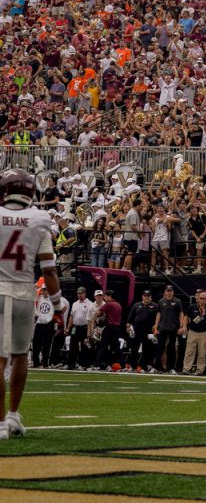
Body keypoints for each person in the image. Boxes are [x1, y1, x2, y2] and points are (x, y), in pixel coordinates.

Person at [0, 169, 66, 438]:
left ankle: (1, 422)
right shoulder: (40, 218)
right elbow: (49, 269)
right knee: (20, 356)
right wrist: (58, 307)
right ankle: (13, 415)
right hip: (26, 293)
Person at [182, 291, 206, 375]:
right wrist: (184, 326)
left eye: (204, 299)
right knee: (189, 351)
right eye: (201, 298)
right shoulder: (192, 307)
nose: (202, 300)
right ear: (198, 299)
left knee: (202, 353)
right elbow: (186, 316)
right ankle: (186, 369)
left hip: (204, 333)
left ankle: (200, 370)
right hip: (192, 332)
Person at [127, 290, 160, 372]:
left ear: (151, 297)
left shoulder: (155, 306)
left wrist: (156, 327)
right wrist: (128, 326)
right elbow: (130, 317)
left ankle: (145, 366)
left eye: (148, 296)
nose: (146, 297)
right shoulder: (136, 305)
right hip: (137, 331)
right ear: (142, 297)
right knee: (134, 349)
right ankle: (132, 365)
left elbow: (159, 318)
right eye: (145, 296)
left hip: (148, 332)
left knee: (148, 350)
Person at [153, 287, 184, 374]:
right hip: (162, 328)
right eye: (167, 291)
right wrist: (156, 327)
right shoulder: (161, 301)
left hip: (173, 328)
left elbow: (181, 313)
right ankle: (156, 367)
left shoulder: (177, 301)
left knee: (172, 348)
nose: (169, 293)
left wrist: (181, 326)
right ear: (165, 292)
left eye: (170, 291)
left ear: (173, 292)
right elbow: (158, 314)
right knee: (160, 348)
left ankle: (171, 368)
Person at [66, 287, 95, 370]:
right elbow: (71, 316)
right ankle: (71, 364)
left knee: (84, 346)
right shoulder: (75, 303)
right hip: (75, 327)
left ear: (85, 294)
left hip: (84, 327)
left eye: (81, 293)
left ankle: (83, 364)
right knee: (73, 346)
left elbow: (91, 318)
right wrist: (68, 328)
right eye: (78, 293)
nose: (80, 295)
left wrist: (90, 329)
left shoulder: (90, 303)